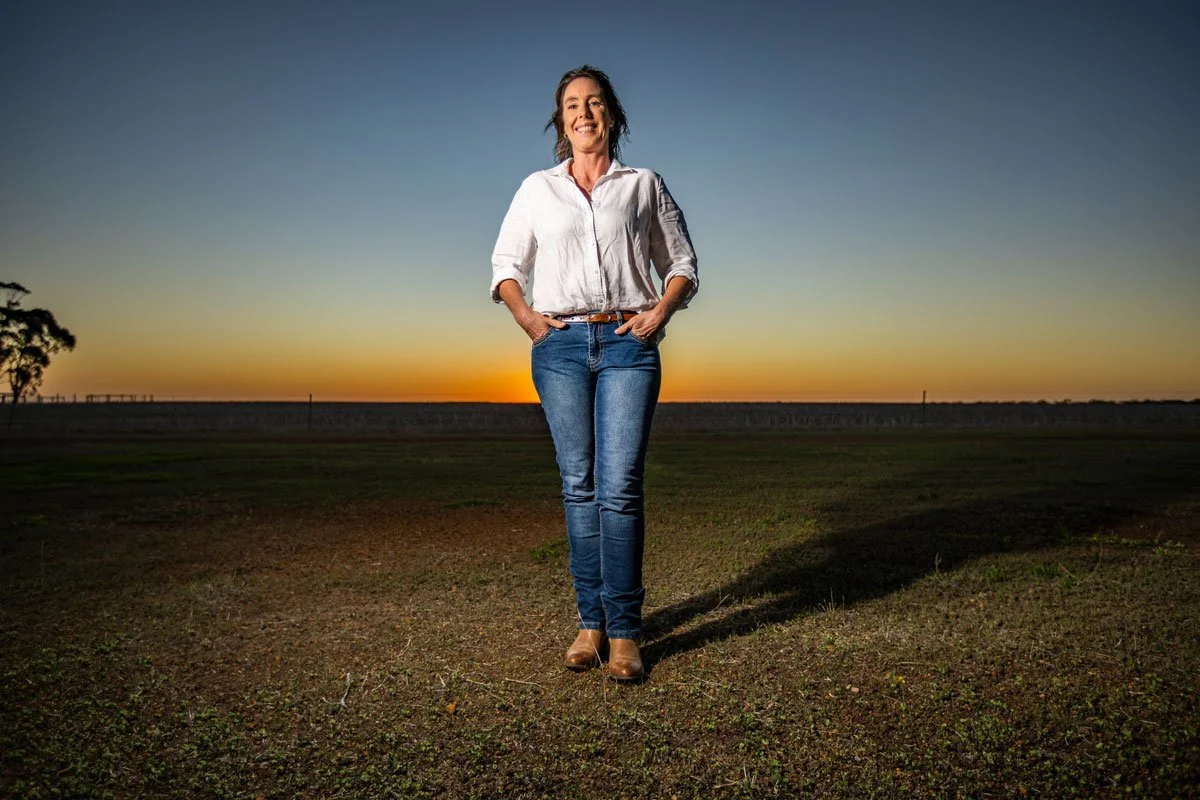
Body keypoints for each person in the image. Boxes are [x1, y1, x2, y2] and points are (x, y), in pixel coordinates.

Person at [489, 65, 698, 682]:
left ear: (613, 116)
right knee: (579, 484)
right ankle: (590, 623)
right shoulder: (536, 189)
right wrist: (528, 318)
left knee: (620, 485)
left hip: (628, 345)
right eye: (572, 105)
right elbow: (505, 265)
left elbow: (682, 262)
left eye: (595, 102)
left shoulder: (644, 184)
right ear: (561, 121)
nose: (584, 113)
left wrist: (660, 311)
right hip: (558, 347)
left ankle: (627, 632)